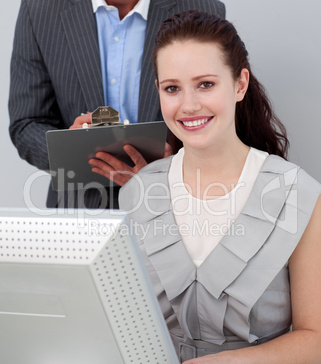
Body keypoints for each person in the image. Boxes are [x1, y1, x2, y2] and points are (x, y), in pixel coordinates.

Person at [112, 10, 321, 364]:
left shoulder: (298, 193)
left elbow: (315, 336)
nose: (188, 105)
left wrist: (233, 362)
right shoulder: (137, 193)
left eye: (205, 84)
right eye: (172, 88)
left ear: (239, 84)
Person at [8, 0, 225, 209]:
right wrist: (69, 149)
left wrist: (174, 165)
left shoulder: (202, 8)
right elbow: (27, 123)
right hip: (79, 211)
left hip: (174, 205)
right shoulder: (40, 10)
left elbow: (217, 119)